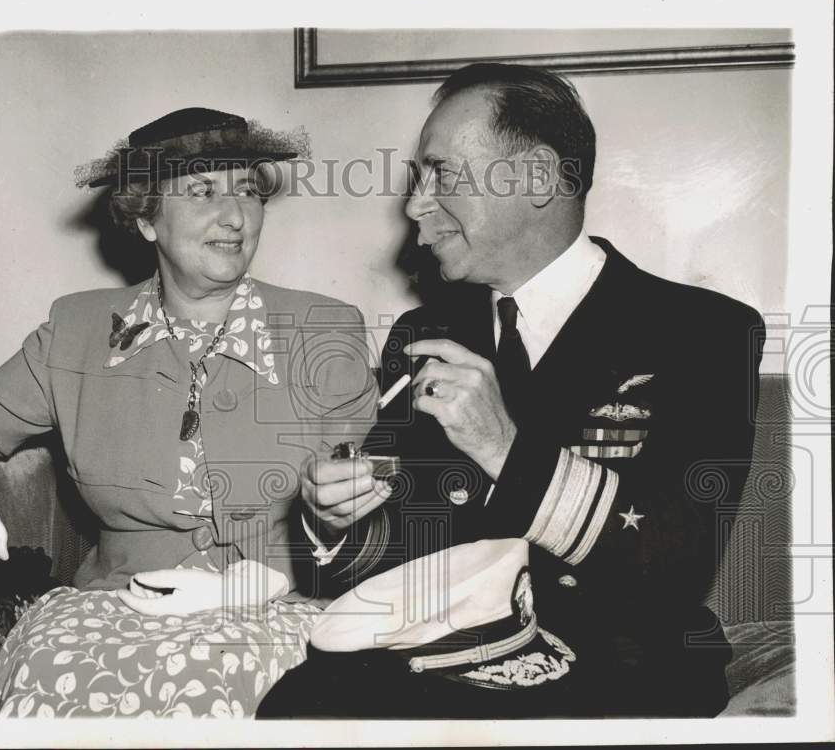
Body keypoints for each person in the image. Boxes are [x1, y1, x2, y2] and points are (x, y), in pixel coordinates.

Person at [260, 63, 764, 718]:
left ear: (536, 177)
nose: (415, 205)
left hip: (620, 674)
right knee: (295, 709)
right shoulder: (425, 332)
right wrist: (337, 523)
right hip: (437, 662)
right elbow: (384, 569)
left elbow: (676, 566)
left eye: (441, 174)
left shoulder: (704, 332)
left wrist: (506, 449)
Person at [0, 107, 377, 717]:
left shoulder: (324, 330)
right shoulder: (76, 329)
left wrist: (254, 581)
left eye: (249, 192)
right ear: (146, 217)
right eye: (203, 192)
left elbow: (371, 513)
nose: (236, 217)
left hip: (281, 607)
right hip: (113, 609)